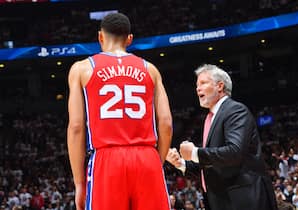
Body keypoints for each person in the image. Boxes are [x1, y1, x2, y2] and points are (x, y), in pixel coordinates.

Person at [67, 13, 172, 210]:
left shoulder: (81, 69)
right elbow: (166, 123)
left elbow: (75, 127)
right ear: (129, 39)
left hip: (106, 160)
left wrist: (80, 183)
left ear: (100, 37)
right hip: (147, 157)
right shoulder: (150, 69)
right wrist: (157, 163)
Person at [166, 64, 277, 210]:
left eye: (203, 83)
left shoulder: (235, 110)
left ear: (220, 86)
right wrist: (181, 163)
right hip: (222, 200)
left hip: (244, 199)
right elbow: (212, 165)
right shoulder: (210, 118)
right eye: (196, 85)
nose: (197, 88)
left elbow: (235, 152)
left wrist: (195, 153)